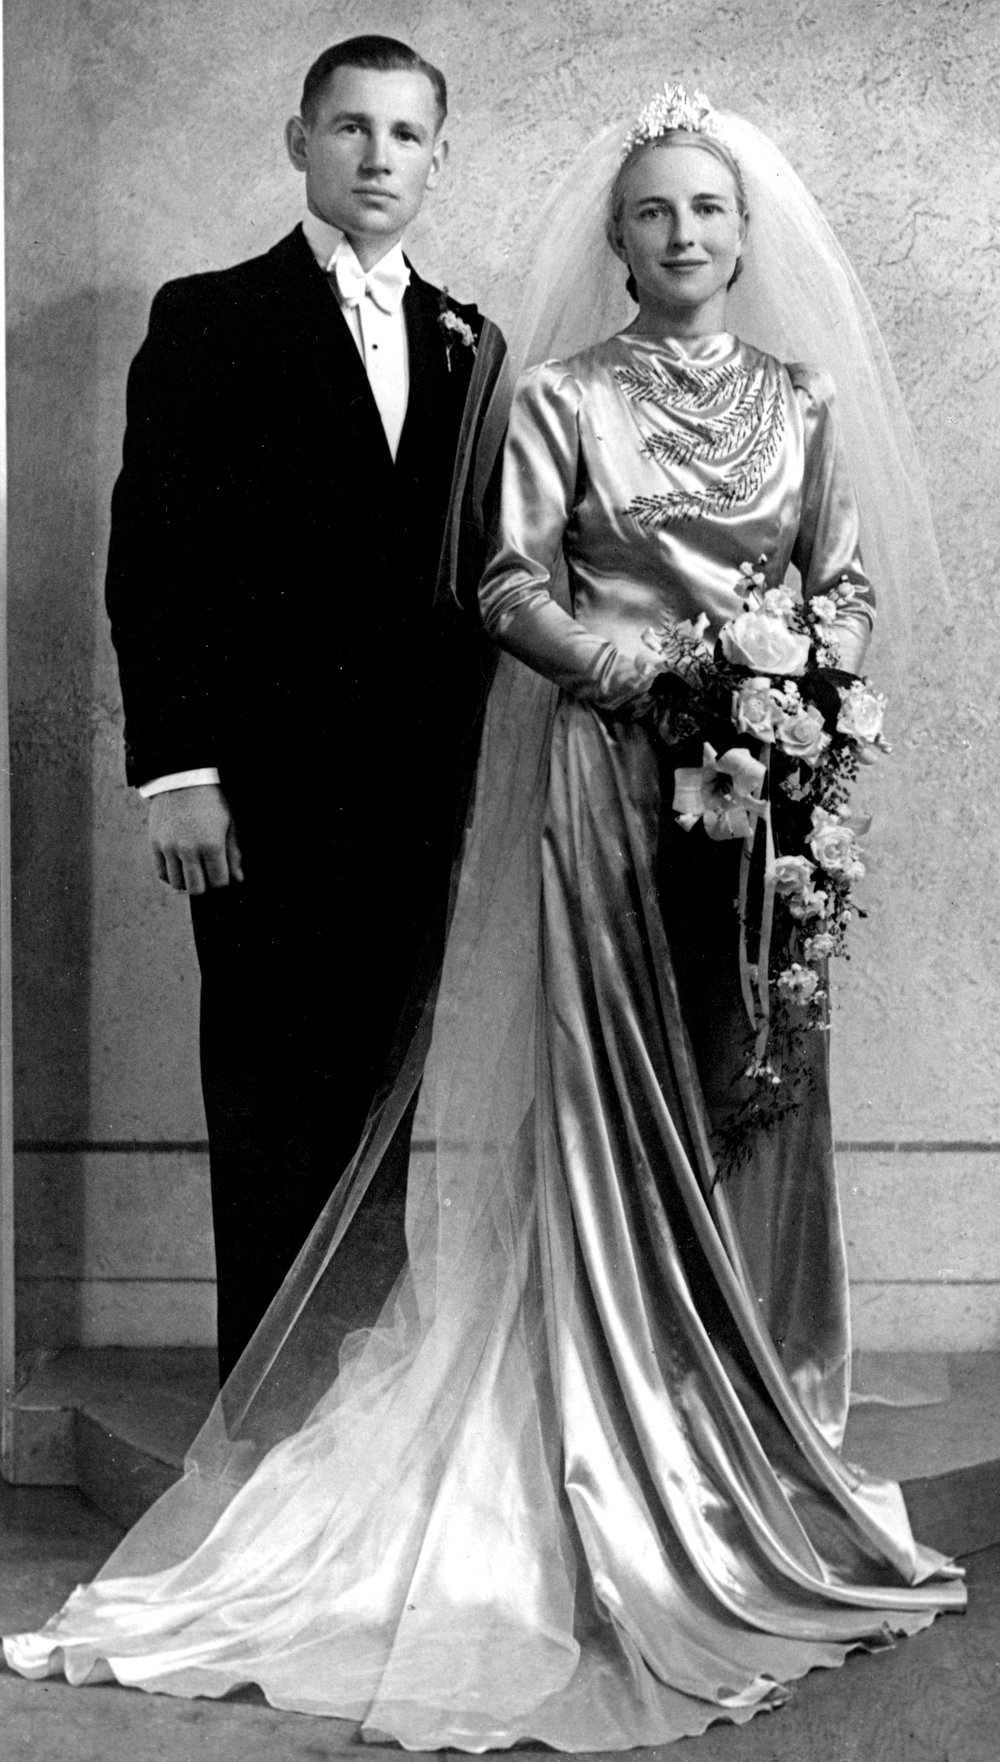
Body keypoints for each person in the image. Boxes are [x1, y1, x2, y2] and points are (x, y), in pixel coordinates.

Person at [4, 85, 965, 1750]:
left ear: (745, 236)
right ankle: (305, 1425)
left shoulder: (526, 349)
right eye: (652, 211)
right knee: (343, 1094)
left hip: (730, 799)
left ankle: (739, 1388)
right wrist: (646, 680)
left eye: (708, 210)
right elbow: (445, 575)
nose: (681, 233)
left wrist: (785, 695)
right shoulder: (506, 379)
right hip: (546, 782)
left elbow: (838, 580)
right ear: (618, 240)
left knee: (750, 1075)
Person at [104, 35, 505, 1379]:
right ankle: (264, 1419)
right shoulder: (209, 317)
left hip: (417, 796)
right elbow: (153, 562)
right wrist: (179, 774)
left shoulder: (469, 342)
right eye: (350, 128)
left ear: (437, 158)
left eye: (406, 134)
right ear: (299, 142)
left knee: (390, 1102)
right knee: (273, 1098)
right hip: (260, 796)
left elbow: (478, 578)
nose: (378, 156)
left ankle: (360, 1421)